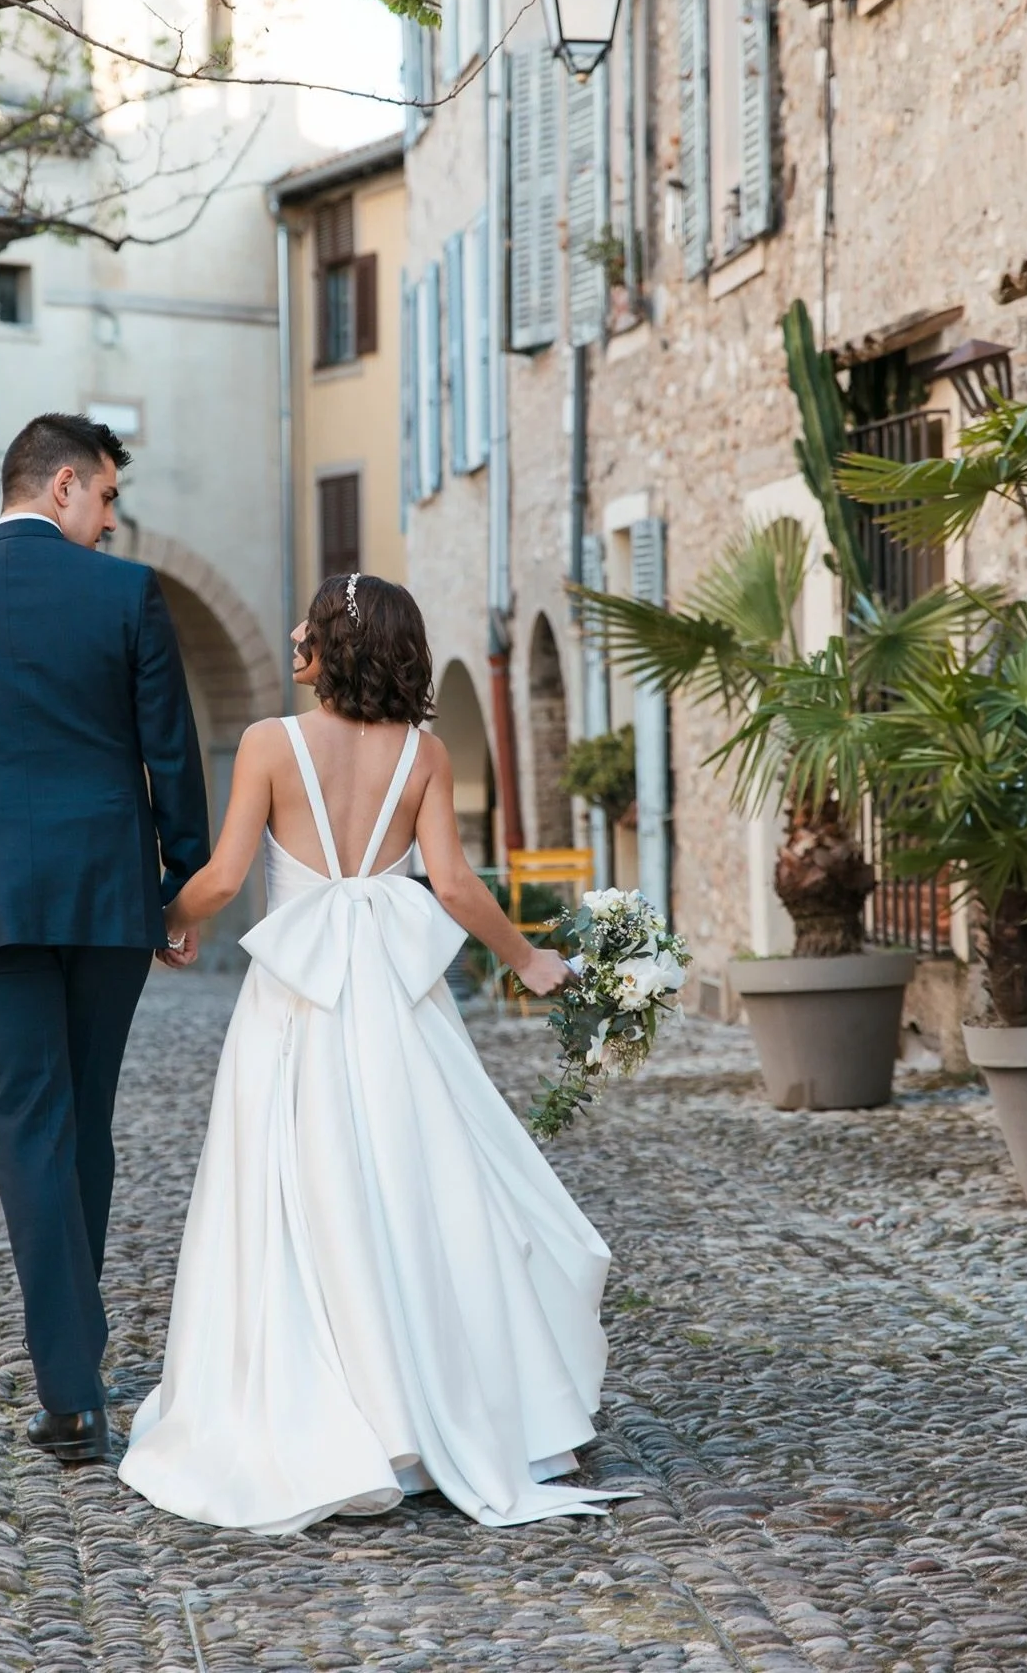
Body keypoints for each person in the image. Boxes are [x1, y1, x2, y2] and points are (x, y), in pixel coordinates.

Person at [119, 573, 632, 1533]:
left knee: (300, 1195)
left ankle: (334, 1414)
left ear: (334, 644)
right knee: (417, 1190)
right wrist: (528, 961)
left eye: (308, 623)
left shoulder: (270, 743)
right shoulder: (424, 754)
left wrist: (161, 920)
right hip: (399, 1012)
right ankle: (434, 1416)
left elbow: (223, 878)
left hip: (295, 1007)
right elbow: (455, 885)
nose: (292, 631)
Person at [0, 413, 209, 1465]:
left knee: (30, 1135)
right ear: (61, 484)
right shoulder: (127, 596)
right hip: (106, 900)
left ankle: (70, 1390)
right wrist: (180, 886)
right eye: (105, 496)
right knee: (82, 1123)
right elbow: (172, 752)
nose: (111, 520)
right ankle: (73, 1365)